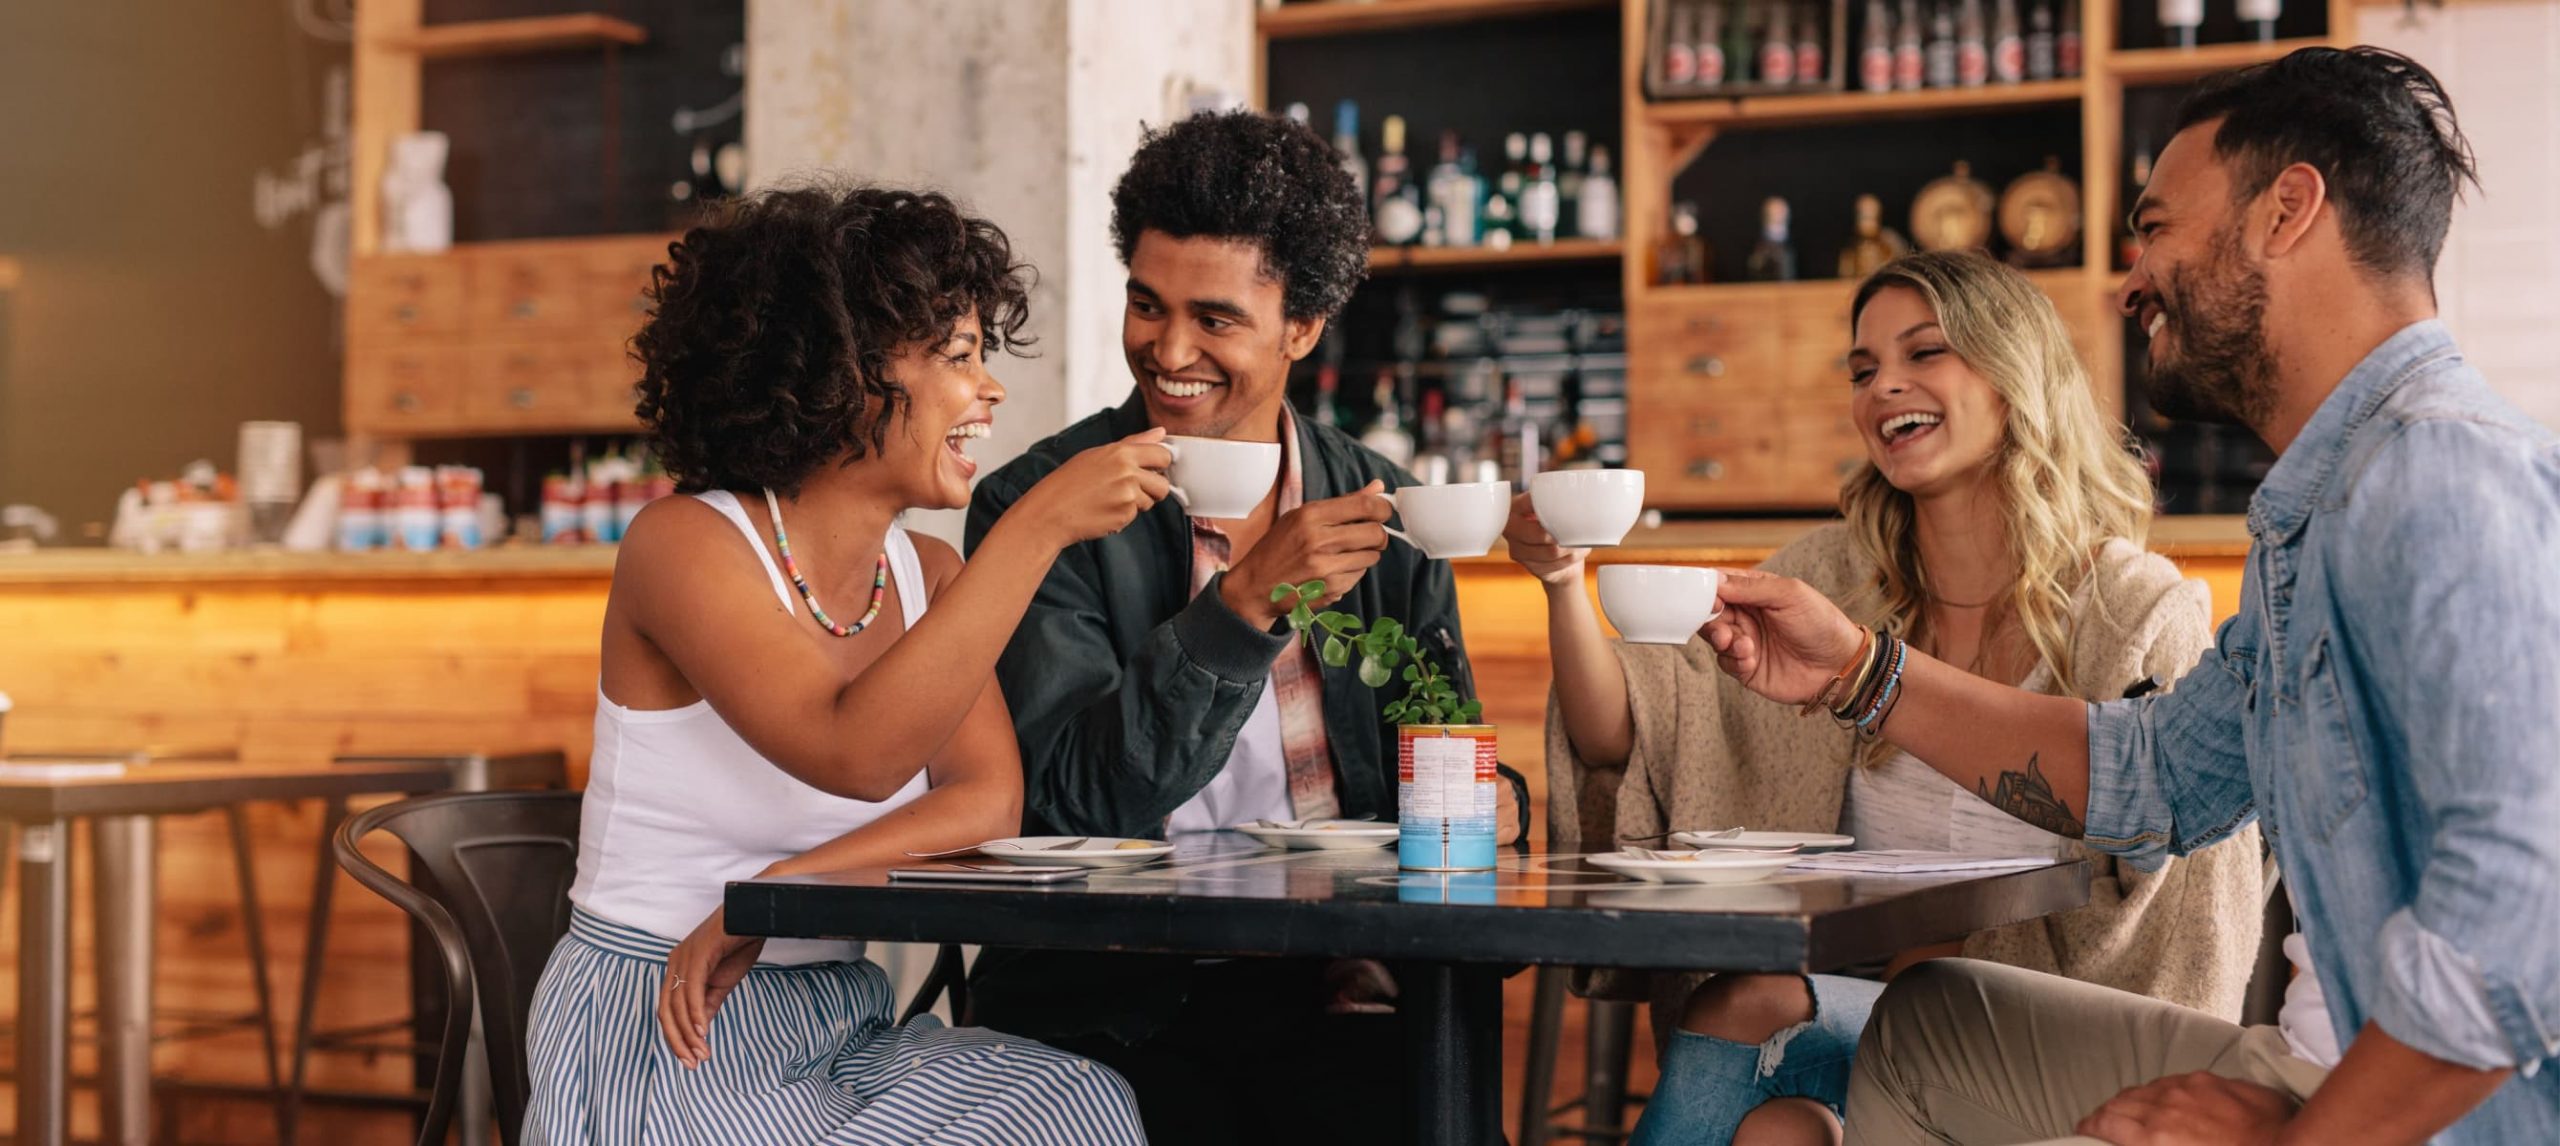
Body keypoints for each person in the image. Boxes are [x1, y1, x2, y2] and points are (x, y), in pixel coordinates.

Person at [1699, 48, 2559, 1145]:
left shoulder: (2437, 478)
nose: (2128, 277)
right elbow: (2155, 778)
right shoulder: (2324, 509)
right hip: (2316, 1056)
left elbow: (2520, 927)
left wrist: (2302, 1138)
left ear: (2286, 211)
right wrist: (1858, 673)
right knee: (1929, 1022)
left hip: (2445, 1115)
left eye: (2156, 228)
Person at [1519, 250, 2265, 1146]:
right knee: (1780, 1132)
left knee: (1749, 1006)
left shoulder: (2136, 613)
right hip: (1873, 1010)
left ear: (2011, 373)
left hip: (2051, 1040)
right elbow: (1634, 737)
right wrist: (1564, 581)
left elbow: (2189, 925)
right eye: (1864, 369)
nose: (1884, 388)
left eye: (1924, 354)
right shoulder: (1828, 580)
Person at [522, 185, 1167, 1145]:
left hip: (835, 1016)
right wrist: (1036, 530)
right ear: (842, 373)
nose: (989, 389)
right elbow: (852, 750)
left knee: (1074, 1103)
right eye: (957, 356)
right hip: (663, 1014)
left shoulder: (931, 575)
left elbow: (985, 804)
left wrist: (780, 888)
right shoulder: (685, 545)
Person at [963, 109, 1510, 1145]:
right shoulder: (1041, 505)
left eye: (1215, 319)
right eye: (1145, 305)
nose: (1168, 352)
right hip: (1115, 1008)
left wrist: (1494, 801)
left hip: (1338, 995)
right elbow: (1064, 805)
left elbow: (1439, 746)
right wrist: (1239, 609)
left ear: (1301, 327)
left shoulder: (1381, 507)